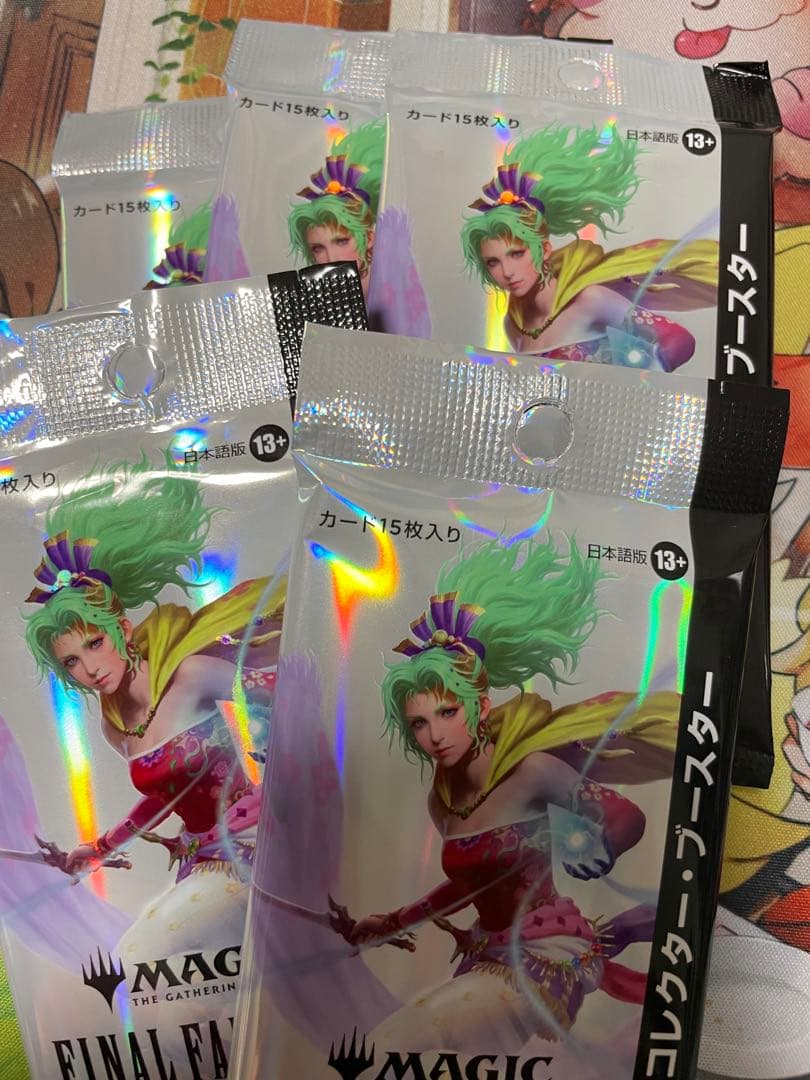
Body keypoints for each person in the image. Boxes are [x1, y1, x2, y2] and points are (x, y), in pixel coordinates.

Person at [345, 537, 680, 1052]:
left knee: (388, 1045)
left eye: (447, 713)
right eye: (419, 723)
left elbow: (624, 816)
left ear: (479, 705)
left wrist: (602, 847)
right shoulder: (443, 800)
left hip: (547, 956)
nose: (435, 735)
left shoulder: (531, 771)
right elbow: (469, 885)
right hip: (491, 956)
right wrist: (391, 922)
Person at [24, 453, 284, 961]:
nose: (90, 668)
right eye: (71, 661)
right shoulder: (114, 726)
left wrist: (270, 783)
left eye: (95, 643)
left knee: (142, 953)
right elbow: (166, 796)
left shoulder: (190, 676)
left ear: (122, 629)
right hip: (200, 860)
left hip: (253, 849)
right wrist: (100, 849)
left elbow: (286, 692)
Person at [461, 123, 718, 369]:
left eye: (517, 254)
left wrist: (627, 381)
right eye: (493, 262)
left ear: (545, 250)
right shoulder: (513, 324)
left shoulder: (591, 299)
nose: (507, 271)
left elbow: (679, 341)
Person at [288, 119, 385, 299]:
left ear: (370, 237)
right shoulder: (316, 298)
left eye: (341, 241)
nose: (331, 259)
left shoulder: (395, 290)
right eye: (318, 248)